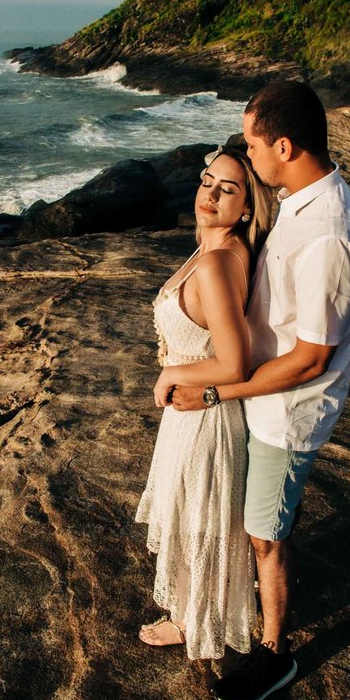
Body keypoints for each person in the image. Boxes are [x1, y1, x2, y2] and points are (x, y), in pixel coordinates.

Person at [171, 81, 350, 700]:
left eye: (253, 143)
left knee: (265, 533)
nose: (246, 154)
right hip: (257, 399)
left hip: (285, 413)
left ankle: (275, 653)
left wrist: (217, 393)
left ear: (283, 146)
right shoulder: (302, 200)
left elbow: (312, 357)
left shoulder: (330, 236)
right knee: (256, 521)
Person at [134, 147, 273, 660]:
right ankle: (193, 613)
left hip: (204, 416)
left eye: (227, 189)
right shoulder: (214, 249)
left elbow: (234, 363)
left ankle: (196, 622)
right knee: (193, 513)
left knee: (197, 520)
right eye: (207, 181)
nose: (210, 195)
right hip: (194, 413)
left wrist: (172, 370)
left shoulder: (217, 264)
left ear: (246, 207)